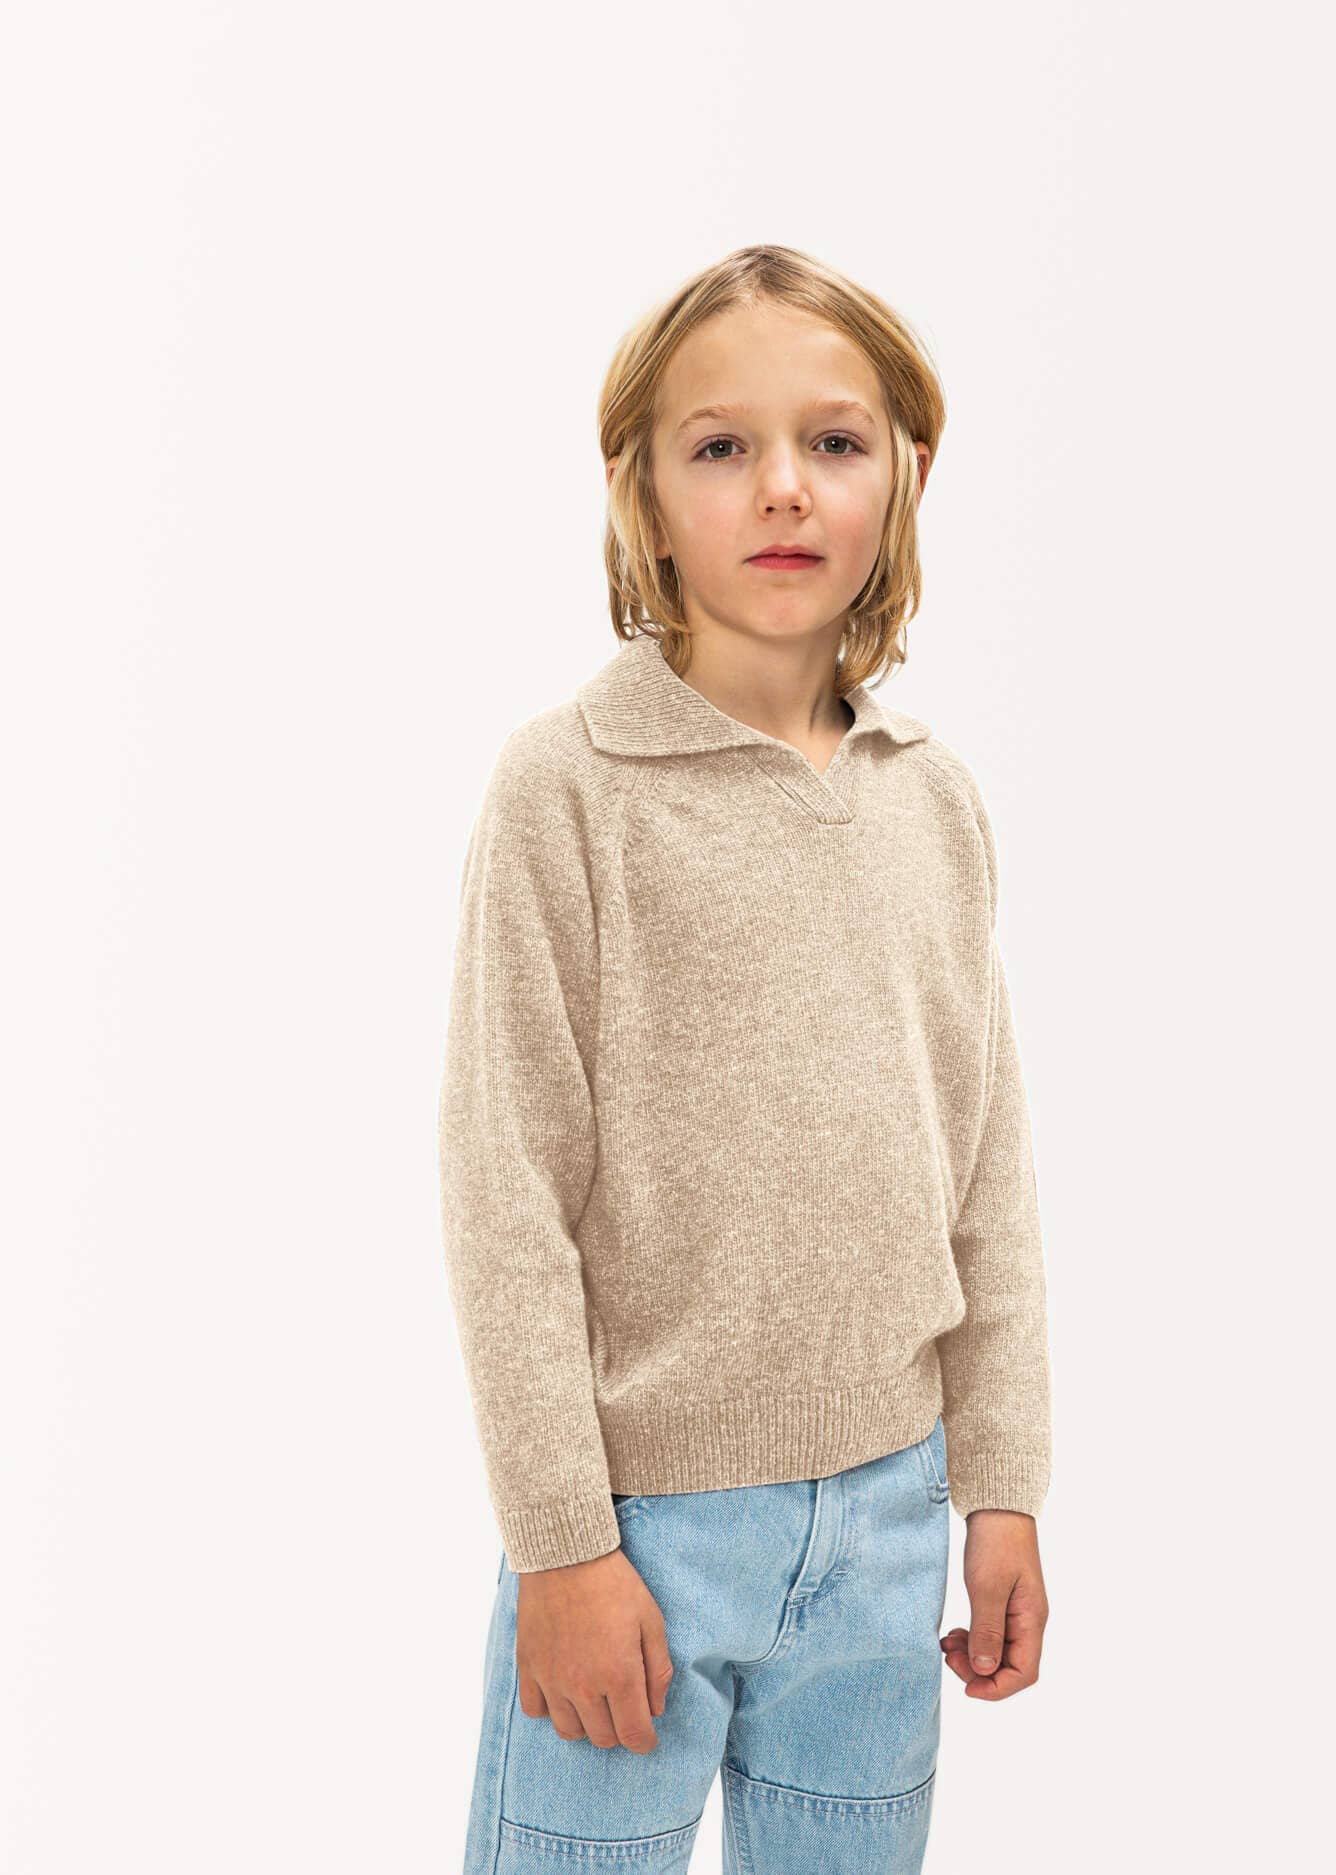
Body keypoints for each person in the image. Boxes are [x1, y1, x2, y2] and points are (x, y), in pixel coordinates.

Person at [438, 244, 1053, 1873]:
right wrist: (561, 1547)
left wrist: (1000, 1485)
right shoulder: (568, 792)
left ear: (906, 475)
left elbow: (986, 1178)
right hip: (639, 1540)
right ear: (643, 494)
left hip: (888, 1536)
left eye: (834, 442)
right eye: (721, 446)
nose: (784, 487)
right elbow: (506, 1199)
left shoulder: (932, 800)